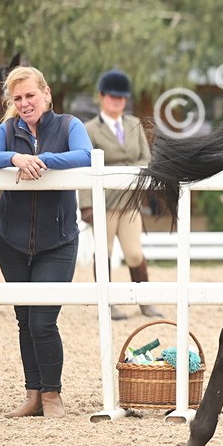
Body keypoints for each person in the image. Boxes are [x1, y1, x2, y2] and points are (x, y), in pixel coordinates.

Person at [0, 66, 92, 418]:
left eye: (30, 95)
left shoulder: (70, 125)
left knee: (43, 320)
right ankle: (33, 392)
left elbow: (84, 156)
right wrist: (14, 157)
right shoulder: (7, 130)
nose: (25, 103)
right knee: (25, 318)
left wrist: (42, 161)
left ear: (46, 94)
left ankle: (52, 393)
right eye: (18, 98)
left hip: (58, 241)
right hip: (11, 239)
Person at [80, 69, 162, 320]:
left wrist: (122, 171)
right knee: (104, 252)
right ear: (102, 97)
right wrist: (86, 205)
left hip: (130, 201)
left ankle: (145, 302)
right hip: (104, 202)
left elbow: (145, 159)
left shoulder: (134, 124)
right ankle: (107, 303)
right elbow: (87, 166)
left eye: (121, 97)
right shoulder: (89, 129)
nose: (117, 101)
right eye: (112, 97)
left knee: (134, 253)